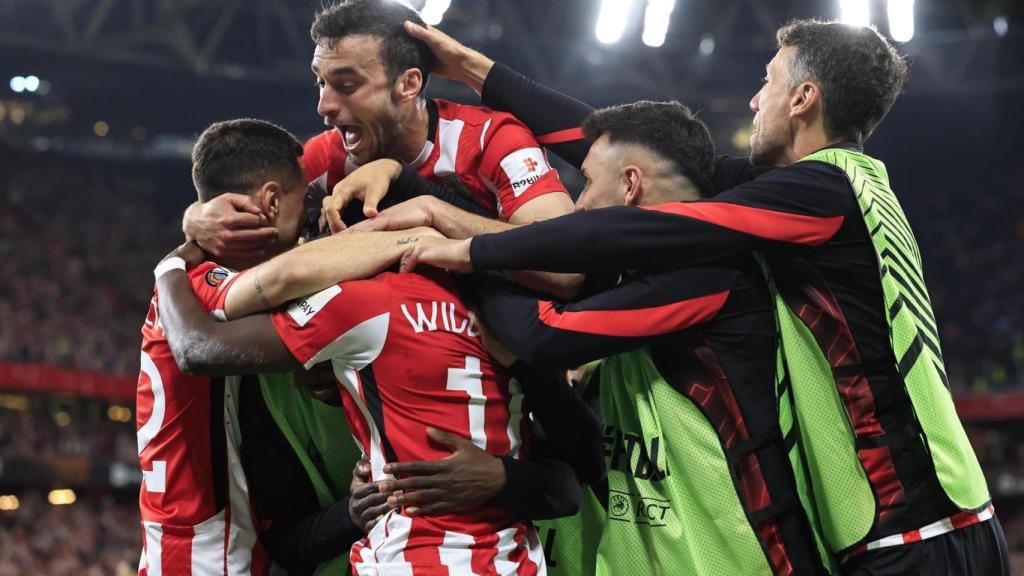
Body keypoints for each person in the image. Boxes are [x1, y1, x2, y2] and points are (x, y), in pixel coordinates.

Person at [399, 18, 1009, 575]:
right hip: (936, 520)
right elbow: (634, 155)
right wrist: (475, 72)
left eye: (765, 83)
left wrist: (465, 245)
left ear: (802, 99)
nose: (753, 99)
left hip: (914, 531)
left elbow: (635, 221)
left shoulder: (822, 193)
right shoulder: (825, 186)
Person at [152, 241, 603, 574]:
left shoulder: (363, 304)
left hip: (411, 561)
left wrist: (170, 267)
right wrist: (347, 514)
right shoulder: (509, 313)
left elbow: (197, 349)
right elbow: (285, 542)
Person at [137, 117, 443, 575]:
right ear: (272, 199)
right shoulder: (202, 286)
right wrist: (417, 235)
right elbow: (291, 278)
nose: (307, 222)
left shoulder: (194, 282)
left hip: (212, 541)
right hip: (204, 551)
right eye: (303, 202)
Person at [183, 0, 574, 278]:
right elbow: (244, 200)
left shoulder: (493, 139)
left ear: (408, 84)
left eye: (346, 85)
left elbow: (566, 268)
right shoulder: (331, 154)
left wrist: (434, 214)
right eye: (321, 83)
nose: (324, 106)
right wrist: (197, 218)